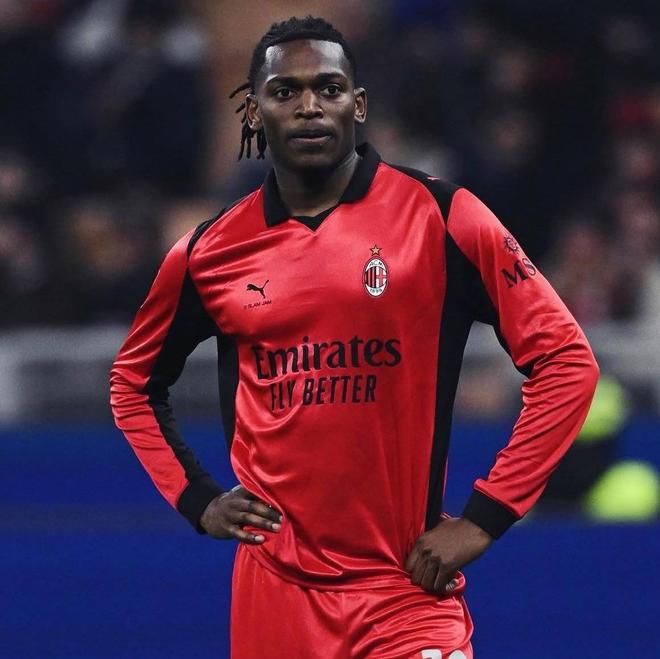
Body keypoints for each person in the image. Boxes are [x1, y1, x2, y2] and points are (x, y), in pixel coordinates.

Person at [110, 16, 599, 658]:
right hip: (273, 600)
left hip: (404, 591)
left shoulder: (442, 216)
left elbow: (566, 360)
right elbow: (133, 383)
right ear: (254, 110)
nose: (309, 105)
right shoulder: (209, 251)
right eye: (285, 91)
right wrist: (197, 498)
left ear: (358, 104)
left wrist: (487, 516)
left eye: (329, 88)